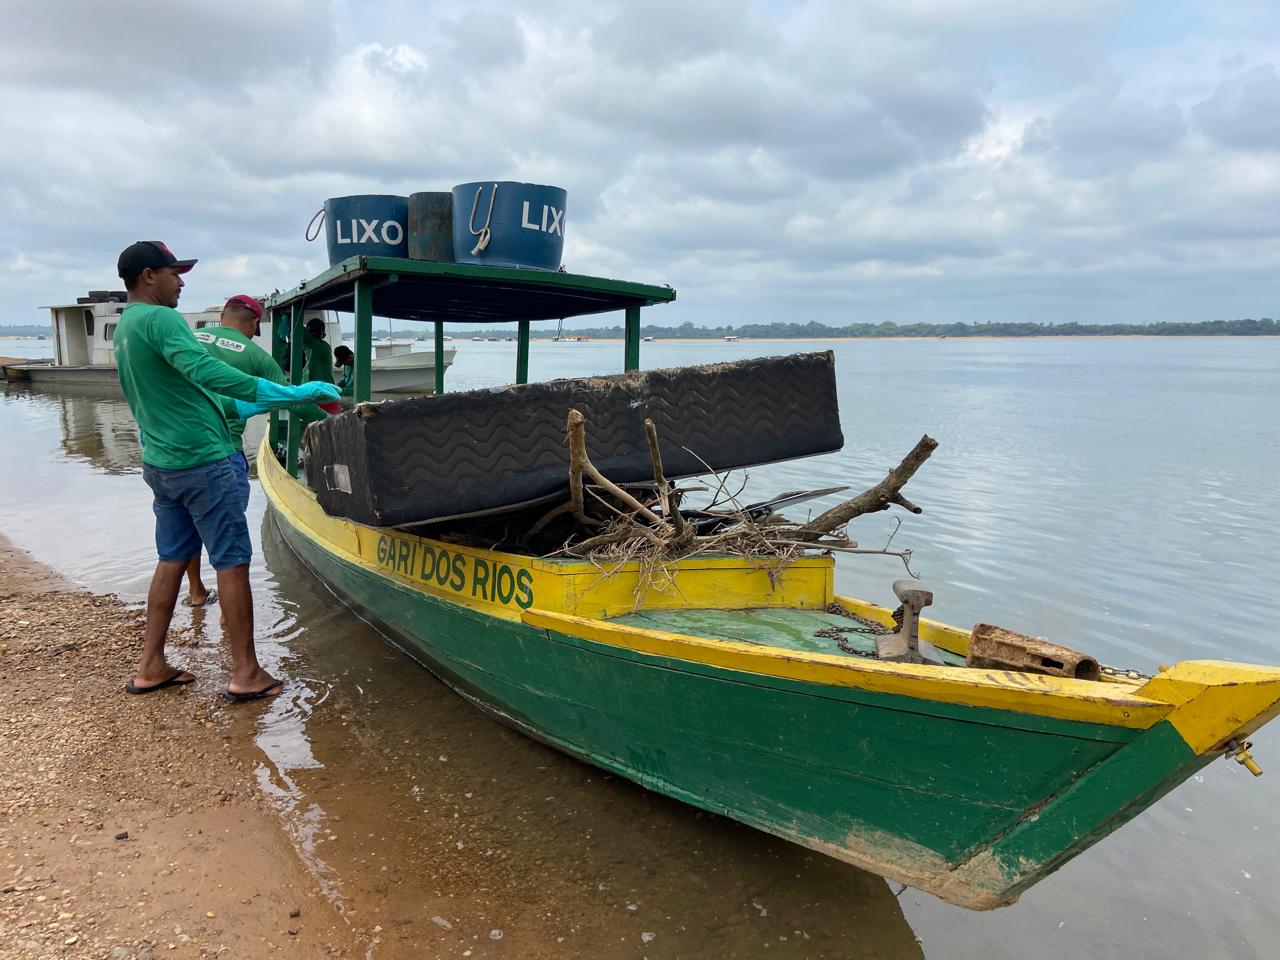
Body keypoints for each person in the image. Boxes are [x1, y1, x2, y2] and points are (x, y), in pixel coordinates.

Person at [112, 241, 340, 702]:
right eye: (175, 272)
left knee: (172, 558)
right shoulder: (160, 318)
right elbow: (206, 372)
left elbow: (194, 395)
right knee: (232, 564)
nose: (182, 281)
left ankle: (151, 665)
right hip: (204, 461)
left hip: (162, 462)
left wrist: (268, 399)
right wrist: (292, 392)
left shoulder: (127, 327)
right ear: (148, 275)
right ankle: (246, 672)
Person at [180, 294, 330, 608]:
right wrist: (332, 420)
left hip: (172, 453)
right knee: (229, 538)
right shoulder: (255, 356)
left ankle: (195, 591)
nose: (252, 335)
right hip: (223, 451)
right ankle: (227, 616)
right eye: (254, 328)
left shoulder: (185, 340)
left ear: (223, 315)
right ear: (251, 322)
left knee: (185, 526)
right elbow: (292, 400)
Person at [302, 317, 340, 414]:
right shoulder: (309, 350)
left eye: (317, 331)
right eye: (310, 331)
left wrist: (290, 320)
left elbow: (303, 335)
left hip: (324, 397)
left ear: (324, 335)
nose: (313, 333)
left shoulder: (321, 346)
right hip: (316, 396)